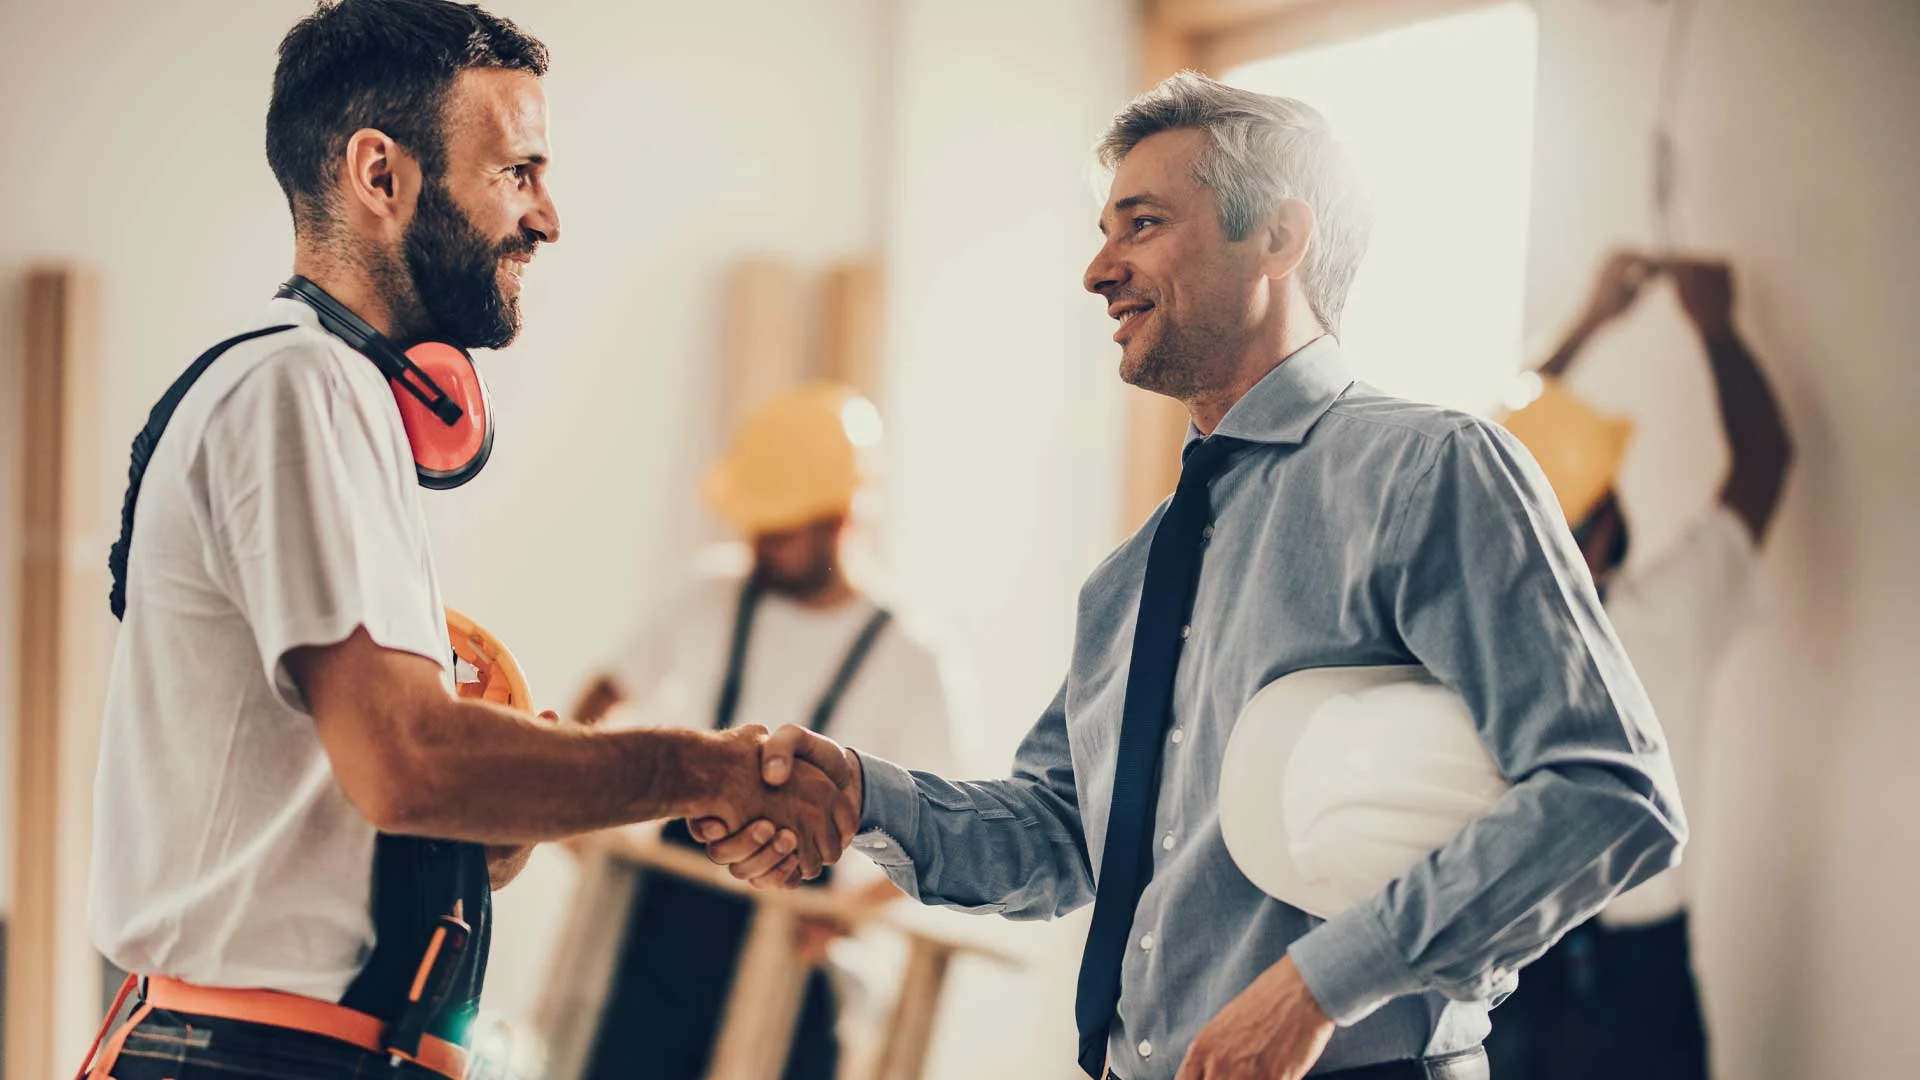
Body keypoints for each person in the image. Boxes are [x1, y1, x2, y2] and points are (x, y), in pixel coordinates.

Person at [700, 72, 1688, 1080]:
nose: (1098, 270)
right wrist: (862, 795)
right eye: (1104, 232)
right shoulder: (1133, 575)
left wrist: (1317, 988)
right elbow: (1063, 835)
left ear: (1279, 238)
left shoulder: (1429, 473)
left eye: (1143, 224)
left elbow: (1609, 791)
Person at [80, 4, 851, 1078]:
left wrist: (485, 808)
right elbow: (407, 762)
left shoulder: (334, 393)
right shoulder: (298, 385)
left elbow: (378, 789)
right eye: (517, 173)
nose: (548, 219)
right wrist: (702, 769)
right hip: (258, 1054)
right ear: (381, 175)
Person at [570, 383, 961, 1080]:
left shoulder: (910, 657)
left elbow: (943, 832)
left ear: (840, 519)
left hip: (791, 966)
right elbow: (596, 704)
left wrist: (844, 913)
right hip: (662, 941)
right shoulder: (707, 596)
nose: (759, 542)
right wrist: (593, 823)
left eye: (779, 529)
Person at [1484, 252, 1794, 1080]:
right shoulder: (1661, 616)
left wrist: (1584, 326)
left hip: (1531, 971)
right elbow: (1764, 461)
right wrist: (1716, 328)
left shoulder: (1472, 626)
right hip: (1593, 978)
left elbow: (1486, 467)